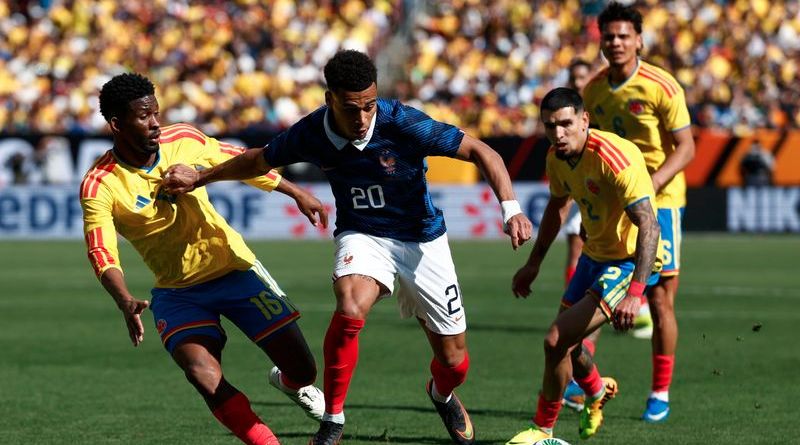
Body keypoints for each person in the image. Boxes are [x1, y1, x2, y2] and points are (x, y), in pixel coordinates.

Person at [162, 49, 533, 445]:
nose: (362, 118)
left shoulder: (402, 122)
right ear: (330, 100)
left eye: (369, 106)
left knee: (455, 362)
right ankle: (333, 418)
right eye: (351, 108)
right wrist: (200, 178)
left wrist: (511, 209)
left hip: (422, 239)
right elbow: (257, 161)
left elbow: (481, 151)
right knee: (351, 304)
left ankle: (441, 394)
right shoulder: (311, 132)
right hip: (363, 233)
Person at [81, 73, 327, 445]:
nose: (155, 123)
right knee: (202, 375)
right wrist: (124, 299)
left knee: (304, 370)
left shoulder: (183, 138)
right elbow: (101, 249)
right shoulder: (99, 183)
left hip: (235, 270)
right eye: (144, 116)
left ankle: (290, 383)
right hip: (178, 293)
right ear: (117, 124)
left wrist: (295, 191)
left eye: (156, 113)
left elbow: (241, 161)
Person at [506, 87, 662, 444]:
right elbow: (557, 207)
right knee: (570, 347)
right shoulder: (556, 157)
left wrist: (635, 294)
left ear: (584, 120)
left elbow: (649, 226)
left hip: (628, 262)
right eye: (550, 126)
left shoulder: (614, 157)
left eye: (565, 124)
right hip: (594, 257)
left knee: (555, 340)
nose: (558, 133)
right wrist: (533, 264)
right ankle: (596, 391)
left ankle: (542, 430)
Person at [582, 1, 696, 422]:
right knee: (593, 284)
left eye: (623, 36)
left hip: (660, 202)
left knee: (660, 297)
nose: (615, 42)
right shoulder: (593, 90)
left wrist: (654, 182)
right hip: (613, 202)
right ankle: (583, 379)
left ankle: (660, 391)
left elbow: (687, 147)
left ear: (639, 41)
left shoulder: (662, 86)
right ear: (601, 42)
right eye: (609, 36)